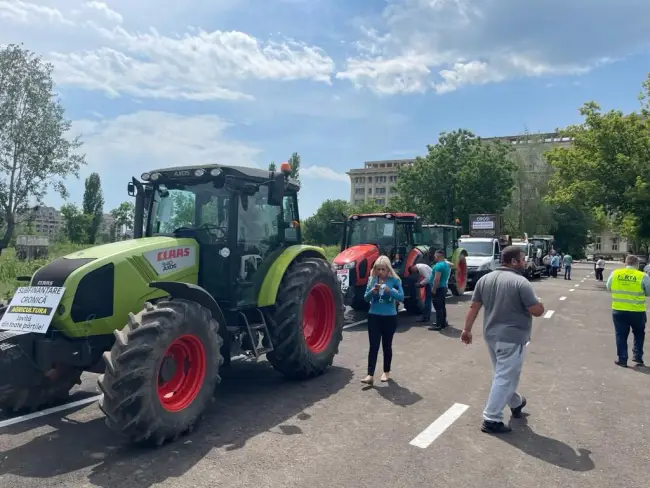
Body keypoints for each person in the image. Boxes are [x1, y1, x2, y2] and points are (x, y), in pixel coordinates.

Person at [460, 246, 545, 433]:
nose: (525, 262)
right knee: (505, 376)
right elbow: (536, 311)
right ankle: (491, 418)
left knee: (506, 374)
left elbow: (474, 307)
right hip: (512, 338)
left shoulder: (485, 279)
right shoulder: (521, 283)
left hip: (491, 336)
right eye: (522, 259)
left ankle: (515, 403)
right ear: (514, 261)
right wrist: (540, 303)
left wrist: (467, 330)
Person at [361, 255, 405, 385]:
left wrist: (389, 290)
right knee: (373, 346)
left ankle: (386, 371)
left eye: (383, 269)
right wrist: (372, 292)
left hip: (389, 317)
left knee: (387, 345)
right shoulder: (372, 279)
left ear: (388, 269)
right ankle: (370, 374)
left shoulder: (395, 280)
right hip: (374, 315)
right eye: (378, 269)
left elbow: (401, 297)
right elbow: (365, 298)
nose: (380, 272)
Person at [606, 254, 649, 367]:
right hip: (637, 311)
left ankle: (622, 359)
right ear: (637, 264)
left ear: (625, 263)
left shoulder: (615, 273)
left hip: (619, 310)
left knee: (621, 334)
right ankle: (637, 357)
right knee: (639, 333)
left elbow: (608, 286)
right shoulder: (643, 276)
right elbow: (649, 292)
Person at [428, 250, 451, 331]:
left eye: (435, 256)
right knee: (442, 306)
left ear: (439, 256)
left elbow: (436, 279)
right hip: (443, 287)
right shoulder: (446, 265)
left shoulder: (438, 266)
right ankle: (443, 323)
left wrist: (434, 289)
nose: (434, 257)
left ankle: (439, 325)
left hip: (438, 288)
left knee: (438, 307)